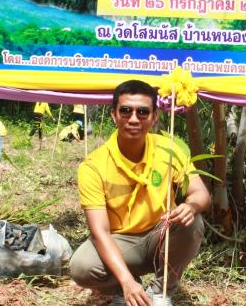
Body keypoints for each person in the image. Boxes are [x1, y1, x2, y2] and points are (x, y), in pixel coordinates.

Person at [70, 80, 211, 306]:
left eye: (142, 112)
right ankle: (124, 289)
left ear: (154, 117)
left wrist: (191, 206)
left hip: (161, 233)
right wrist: (127, 281)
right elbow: (99, 232)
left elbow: (201, 193)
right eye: (126, 111)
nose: (134, 118)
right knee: (82, 266)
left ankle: (160, 292)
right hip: (121, 242)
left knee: (192, 222)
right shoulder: (93, 165)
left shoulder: (169, 148)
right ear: (114, 115)